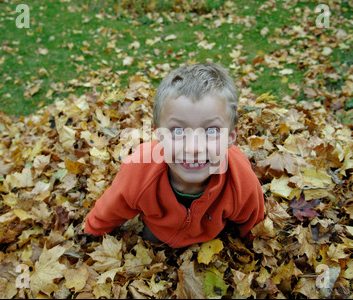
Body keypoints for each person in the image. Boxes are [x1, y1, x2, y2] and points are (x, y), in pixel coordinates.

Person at [84, 63, 264, 248]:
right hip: (159, 232)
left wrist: (252, 247)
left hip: (212, 237)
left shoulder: (240, 180)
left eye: (211, 131)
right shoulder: (138, 172)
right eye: (177, 131)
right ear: (159, 135)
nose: (194, 148)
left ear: (230, 136)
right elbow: (111, 208)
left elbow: (252, 222)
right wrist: (90, 235)